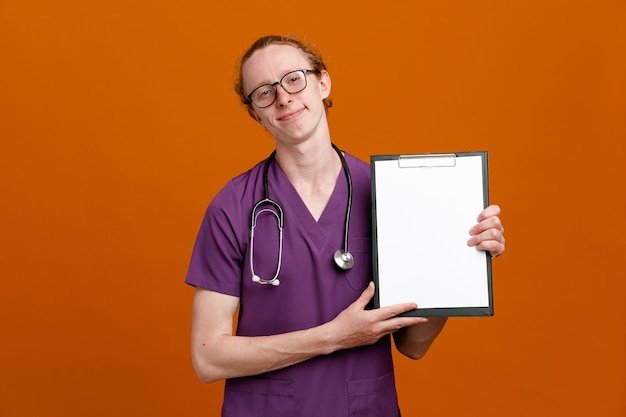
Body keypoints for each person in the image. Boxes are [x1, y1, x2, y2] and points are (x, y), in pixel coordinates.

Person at [185, 35, 505, 417]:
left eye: (294, 79)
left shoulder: (391, 195)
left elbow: (414, 346)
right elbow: (209, 359)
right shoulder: (232, 207)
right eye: (264, 92)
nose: (284, 98)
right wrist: (332, 338)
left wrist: (456, 262)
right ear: (255, 113)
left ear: (323, 83)